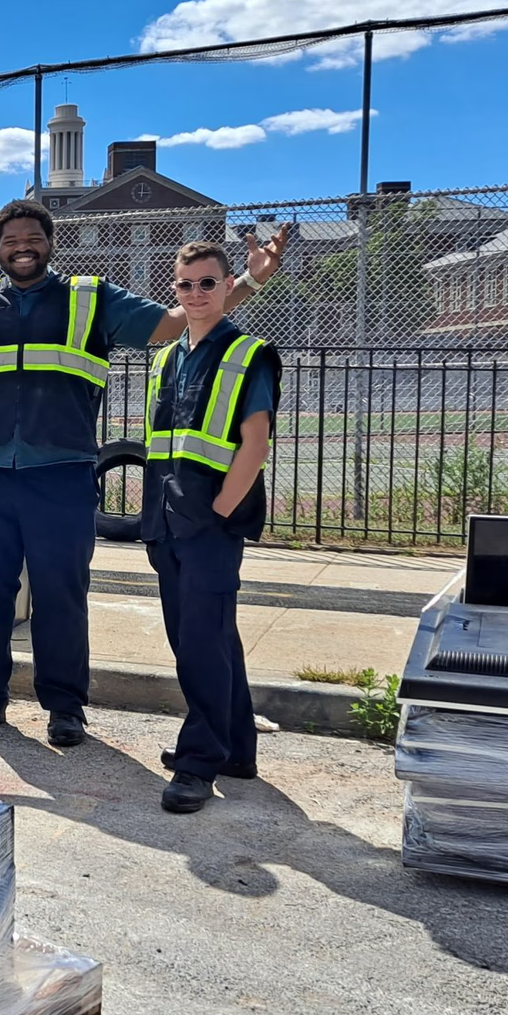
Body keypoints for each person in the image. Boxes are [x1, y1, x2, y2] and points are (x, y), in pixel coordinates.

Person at [0, 200, 287, 746]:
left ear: (50, 243)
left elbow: (174, 321)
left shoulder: (91, 298)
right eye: (11, 239)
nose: (22, 246)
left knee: (60, 594)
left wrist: (251, 284)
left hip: (62, 476)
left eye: (33, 237)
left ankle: (65, 708)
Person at [143, 242, 282, 813]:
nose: (196, 294)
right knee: (211, 636)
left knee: (200, 642)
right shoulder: (167, 357)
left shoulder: (249, 354)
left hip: (209, 523)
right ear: (174, 290)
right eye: (185, 285)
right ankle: (236, 749)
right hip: (168, 519)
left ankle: (199, 761)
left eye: (207, 283)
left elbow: (256, 442)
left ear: (229, 285)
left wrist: (221, 510)